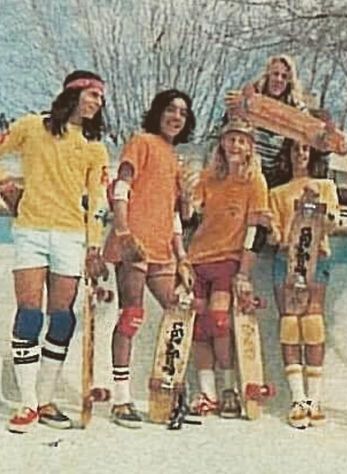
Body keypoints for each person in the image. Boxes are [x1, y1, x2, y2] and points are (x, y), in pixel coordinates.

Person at [0, 70, 109, 433]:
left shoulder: (95, 146)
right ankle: (28, 403)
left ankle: (45, 399)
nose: (97, 102)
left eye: (101, 99)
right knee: (29, 315)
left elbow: (96, 201)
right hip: (31, 229)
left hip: (70, 235)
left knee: (61, 318)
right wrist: (6, 187)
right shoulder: (32, 126)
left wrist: (95, 247)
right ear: (74, 93)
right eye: (92, 95)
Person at [103, 89, 196, 429]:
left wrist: (182, 256)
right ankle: (121, 398)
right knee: (132, 316)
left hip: (162, 250)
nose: (176, 117)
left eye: (183, 113)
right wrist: (124, 233)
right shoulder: (140, 141)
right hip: (134, 245)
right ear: (158, 112)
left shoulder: (176, 158)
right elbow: (121, 188)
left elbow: (174, 215)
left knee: (179, 310)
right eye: (170, 109)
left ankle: (173, 393)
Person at [185, 117, 269, 418]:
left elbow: (257, 230)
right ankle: (207, 393)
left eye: (242, 140)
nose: (235, 145)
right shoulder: (209, 177)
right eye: (230, 139)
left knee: (220, 322)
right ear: (222, 143)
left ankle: (228, 388)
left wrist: (244, 273)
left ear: (250, 148)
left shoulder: (254, 180)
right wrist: (187, 193)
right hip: (197, 259)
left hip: (228, 260)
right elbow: (190, 216)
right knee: (199, 327)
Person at [269, 139, 339, 428]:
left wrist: (319, 208)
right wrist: (272, 231)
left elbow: (333, 223)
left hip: (316, 259)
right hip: (286, 260)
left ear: (312, 154)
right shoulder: (276, 192)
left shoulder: (326, 186)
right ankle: (297, 399)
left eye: (305, 149)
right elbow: (273, 233)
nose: (300, 154)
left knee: (312, 324)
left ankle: (315, 399)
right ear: (288, 154)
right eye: (295, 149)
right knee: (289, 325)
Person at [225, 54, 307, 189]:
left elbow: (309, 134)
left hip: (277, 175)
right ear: (268, 75)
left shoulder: (296, 108)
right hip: (247, 170)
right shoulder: (250, 99)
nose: (279, 79)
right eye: (275, 74)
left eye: (284, 76)